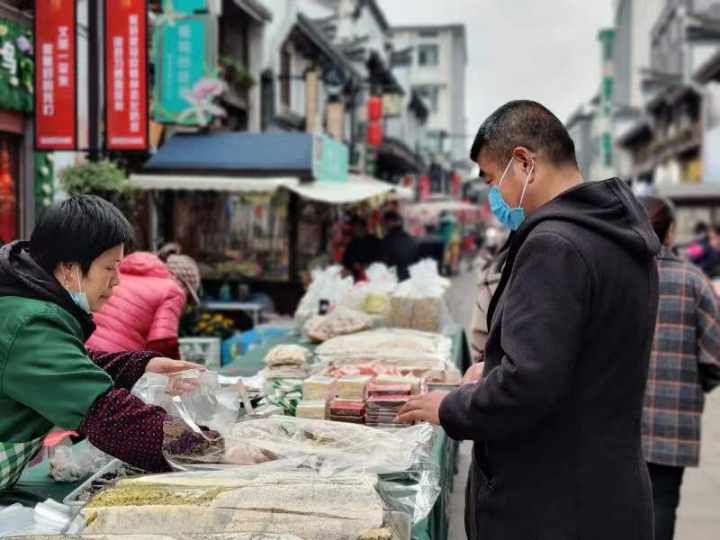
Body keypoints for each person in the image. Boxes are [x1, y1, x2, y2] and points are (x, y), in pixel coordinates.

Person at [397, 100, 660, 540]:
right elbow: (581, 359)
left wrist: (450, 407)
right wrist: (496, 368)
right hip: (606, 495)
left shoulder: (554, 244)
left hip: (551, 506)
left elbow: (528, 385)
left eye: (491, 180)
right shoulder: (617, 235)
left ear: (524, 162)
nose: (493, 197)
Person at [0, 195, 209, 492]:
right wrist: (206, 447)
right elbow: (108, 416)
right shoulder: (27, 324)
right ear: (70, 269)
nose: (117, 282)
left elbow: (76, 364)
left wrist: (142, 366)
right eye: (110, 268)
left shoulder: (30, 307)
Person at [638, 196, 720, 540]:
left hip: (617, 419)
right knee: (664, 501)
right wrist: (692, 385)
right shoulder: (693, 280)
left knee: (618, 503)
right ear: (670, 233)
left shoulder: (612, 273)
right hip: (675, 417)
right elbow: (715, 353)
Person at [86, 249, 198, 358]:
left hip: (82, 350)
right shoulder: (173, 290)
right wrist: (178, 370)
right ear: (184, 286)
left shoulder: (117, 274)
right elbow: (162, 342)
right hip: (117, 362)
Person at [380, 210, 418, 281]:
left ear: (388, 223)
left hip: (397, 280)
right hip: (413, 277)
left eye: (384, 223)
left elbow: (385, 263)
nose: (383, 226)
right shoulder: (410, 238)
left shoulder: (387, 241)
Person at [341, 215, 381, 282]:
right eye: (355, 228)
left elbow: (381, 257)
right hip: (358, 278)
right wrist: (353, 265)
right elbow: (346, 260)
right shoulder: (351, 244)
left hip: (375, 275)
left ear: (365, 227)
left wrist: (369, 265)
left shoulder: (375, 241)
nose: (357, 230)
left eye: (359, 228)